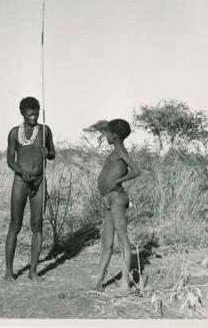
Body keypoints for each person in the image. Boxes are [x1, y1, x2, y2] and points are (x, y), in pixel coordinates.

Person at [4, 97, 55, 282]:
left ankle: (33, 271)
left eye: (36, 113)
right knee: (15, 225)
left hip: (39, 182)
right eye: (30, 114)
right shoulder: (13, 133)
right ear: (22, 114)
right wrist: (22, 172)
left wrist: (47, 153)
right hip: (20, 182)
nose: (34, 117)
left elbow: (52, 154)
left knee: (37, 225)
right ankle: (9, 272)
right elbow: (10, 160)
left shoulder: (45, 131)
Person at [94, 119, 141, 294]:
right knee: (107, 241)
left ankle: (124, 284)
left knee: (122, 239)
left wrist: (118, 181)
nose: (105, 135)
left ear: (114, 135)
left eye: (106, 132)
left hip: (117, 198)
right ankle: (99, 279)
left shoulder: (120, 150)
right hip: (109, 198)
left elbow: (136, 170)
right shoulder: (116, 151)